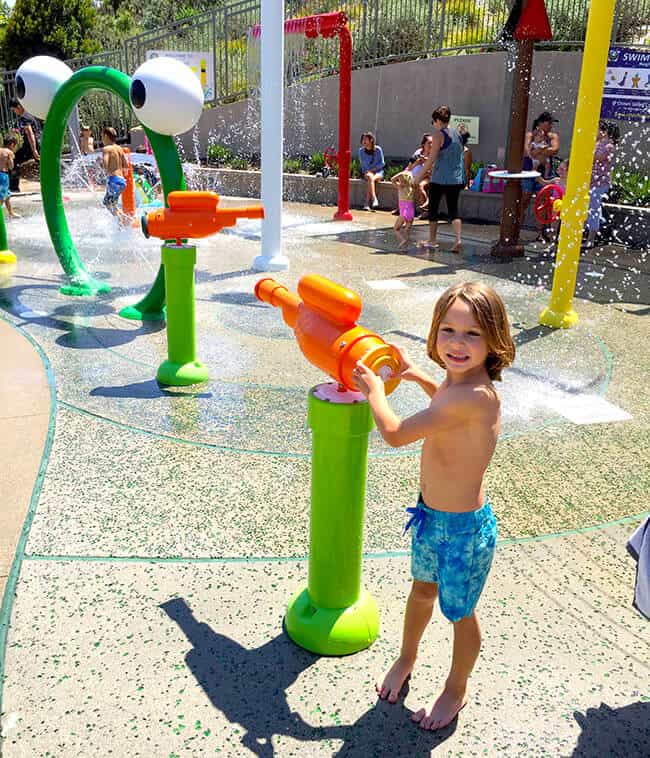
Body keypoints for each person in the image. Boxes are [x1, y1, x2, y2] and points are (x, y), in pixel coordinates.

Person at [352, 281, 515, 731]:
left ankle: (456, 688)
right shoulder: (457, 382)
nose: (457, 344)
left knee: (460, 613)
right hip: (429, 518)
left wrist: (375, 392)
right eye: (448, 330)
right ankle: (407, 657)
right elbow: (443, 401)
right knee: (422, 591)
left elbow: (396, 432)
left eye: (472, 334)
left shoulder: (474, 396)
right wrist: (414, 375)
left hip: (463, 530)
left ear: (495, 340)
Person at [415, 105, 466, 252]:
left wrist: (418, 177)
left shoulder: (438, 135)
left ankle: (432, 240)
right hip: (455, 179)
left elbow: (432, 158)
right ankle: (458, 239)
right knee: (453, 210)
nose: (433, 124)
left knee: (433, 209)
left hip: (439, 178)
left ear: (437, 120)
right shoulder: (458, 135)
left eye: (433, 121)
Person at [521, 112, 560, 238]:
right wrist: (542, 151)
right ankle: (517, 228)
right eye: (548, 123)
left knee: (543, 202)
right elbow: (527, 152)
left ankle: (540, 233)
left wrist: (536, 151)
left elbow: (554, 150)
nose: (550, 126)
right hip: (528, 172)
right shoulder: (530, 135)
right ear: (540, 123)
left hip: (545, 173)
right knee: (524, 199)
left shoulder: (552, 136)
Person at [584, 121, 618, 249]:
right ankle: (597, 230)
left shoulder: (609, 146)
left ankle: (591, 238)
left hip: (600, 183)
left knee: (593, 209)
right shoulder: (596, 143)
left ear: (605, 132)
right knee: (590, 208)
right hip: (591, 181)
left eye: (596, 129)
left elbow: (594, 158)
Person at [8, 97, 41, 192]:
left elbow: (30, 134)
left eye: (14, 110)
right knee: (44, 164)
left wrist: (34, 150)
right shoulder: (29, 114)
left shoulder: (24, 117)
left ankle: (14, 187)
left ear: (18, 107)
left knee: (14, 160)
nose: (14, 112)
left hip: (32, 146)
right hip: (36, 144)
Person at [100, 127, 129, 221]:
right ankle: (123, 222)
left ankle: (124, 220)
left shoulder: (106, 149)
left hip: (114, 181)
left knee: (107, 203)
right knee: (114, 204)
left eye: (102, 137)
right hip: (122, 181)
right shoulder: (119, 148)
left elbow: (105, 163)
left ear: (105, 136)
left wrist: (101, 165)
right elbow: (126, 164)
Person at [358, 132, 385, 211]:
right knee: (370, 177)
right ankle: (374, 199)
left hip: (378, 172)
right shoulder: (361, 151)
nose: (364, 142)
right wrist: (369, 171)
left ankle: (367, 203)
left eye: (366, 140)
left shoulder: (378, 149)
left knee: (371, 178)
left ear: (371, 140)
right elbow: (363, 165)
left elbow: (382, 163)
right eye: (363, 140)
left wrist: (373, 169)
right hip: (367, 172)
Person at [390, 168, 416, 248]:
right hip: (411, 213)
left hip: (403, 212)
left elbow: (392, 179)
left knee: (396, 229)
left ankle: (402, 240)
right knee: (407, 231)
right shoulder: (412, 188)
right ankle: (405, 246)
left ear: (401, 180)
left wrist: (400, 173)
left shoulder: (400, 187)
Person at [0, 136, 20, 218]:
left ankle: (11, 212)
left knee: (7, 195)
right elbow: (11, 167)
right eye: (15, 146)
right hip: (3, 176)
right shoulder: (9, 152)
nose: (15, 148)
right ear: (12, 144)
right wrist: (10, 160)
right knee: (1, 197)